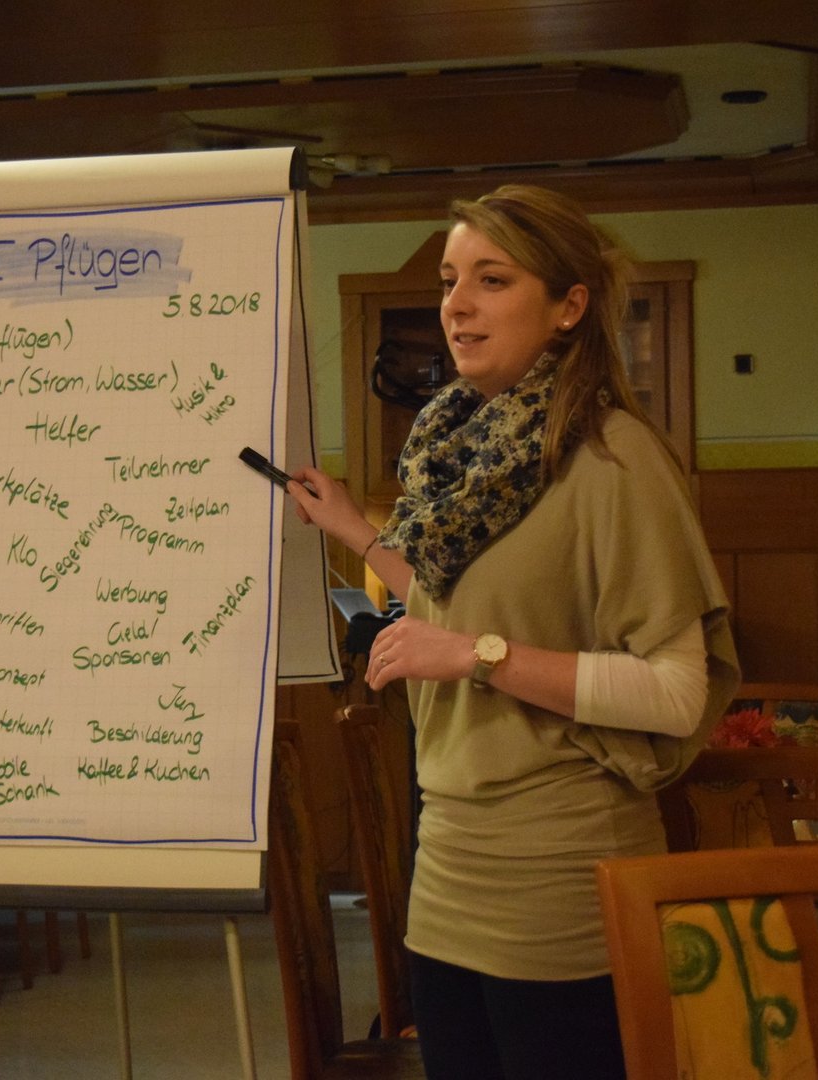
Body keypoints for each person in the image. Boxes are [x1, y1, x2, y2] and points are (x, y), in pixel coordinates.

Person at [286, 185, 740, 1080]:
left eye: (492, 280)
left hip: (560, 877)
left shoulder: (612, 455)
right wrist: (358, 534)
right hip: (448, 868)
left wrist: (474, 659)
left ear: (569, 306)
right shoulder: (457, 447)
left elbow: (677, 692)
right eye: (450, 280)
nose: (457, 304)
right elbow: (460, 604)